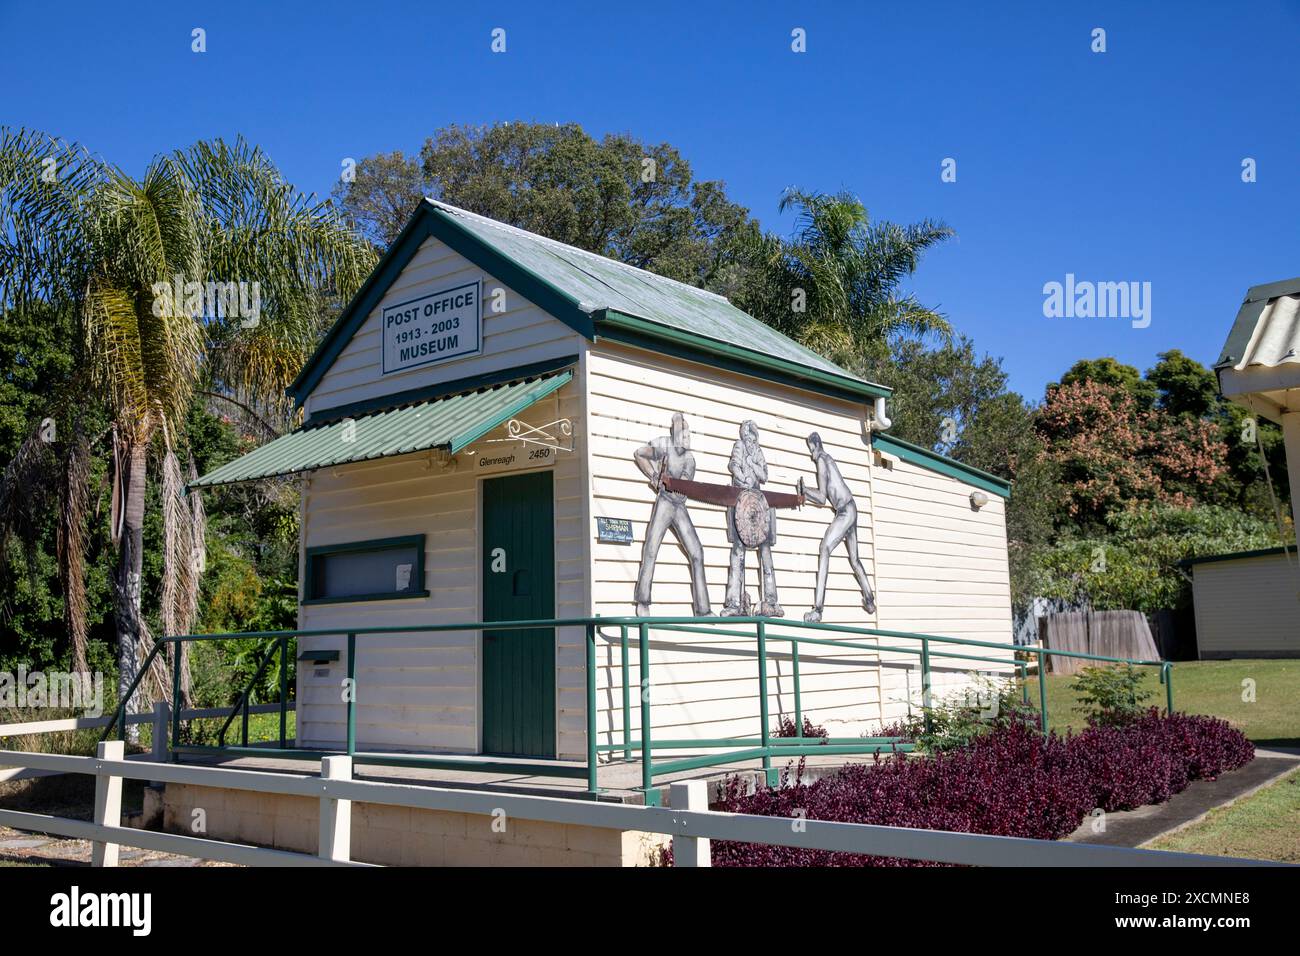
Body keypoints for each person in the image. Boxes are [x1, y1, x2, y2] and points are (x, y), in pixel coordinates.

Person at [633, 413, 710, 615]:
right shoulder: (664, 445)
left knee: (697, 552)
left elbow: (683, 488)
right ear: (675, 436)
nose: (687, 440)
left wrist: (672, 484)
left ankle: (703, 608)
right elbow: (639, 453)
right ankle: (643, 600)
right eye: (684, 436)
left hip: (678, 505)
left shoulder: (690, 459)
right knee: (651, 547)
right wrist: (653, 475)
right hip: (664, 502)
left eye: (689, 436)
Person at [797, 431, 876, 622]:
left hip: (844, 511)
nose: (811, 454)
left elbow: (823, 498)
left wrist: (805, 491)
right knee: (855, 559)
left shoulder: (822, 461)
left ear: (816, 446)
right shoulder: (828, 458)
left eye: (811, 449)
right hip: (851, 507)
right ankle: (870, 600)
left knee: (824, 548)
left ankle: (818, 609)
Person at [722, 420, 783, 617]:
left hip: (758, 503)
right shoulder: (739, 446)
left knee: (765, 552)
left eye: (752, 437)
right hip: (741, 501)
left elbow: (764, 475)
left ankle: (771, 602)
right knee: (738, 552)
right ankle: (735, 602)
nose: (749, 440)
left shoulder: (757, 451)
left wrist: (752, 466)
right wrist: (742, 478)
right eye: (746, 436)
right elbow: (733, 465)